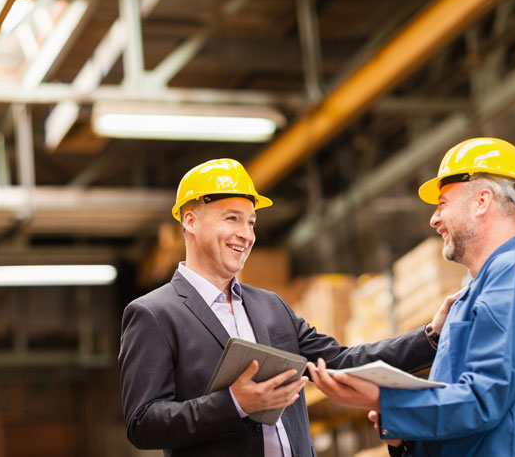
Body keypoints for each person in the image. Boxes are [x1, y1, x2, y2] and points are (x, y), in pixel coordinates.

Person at [119, 158, 455, 457]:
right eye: (232, 219)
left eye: (251, 222)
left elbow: (342, 362)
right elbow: (143, 422)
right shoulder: (153, 314)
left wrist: (431, 336)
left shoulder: (271, 307)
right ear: (191, 221)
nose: (245, 234)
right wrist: (234, 404)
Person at [308, 137, 515, 456]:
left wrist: (385, 400)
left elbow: (480, 400)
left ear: (482, 201)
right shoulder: (472, 296)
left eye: (443, 203)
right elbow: (466, 420)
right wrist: (406, 440)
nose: (434, 219)